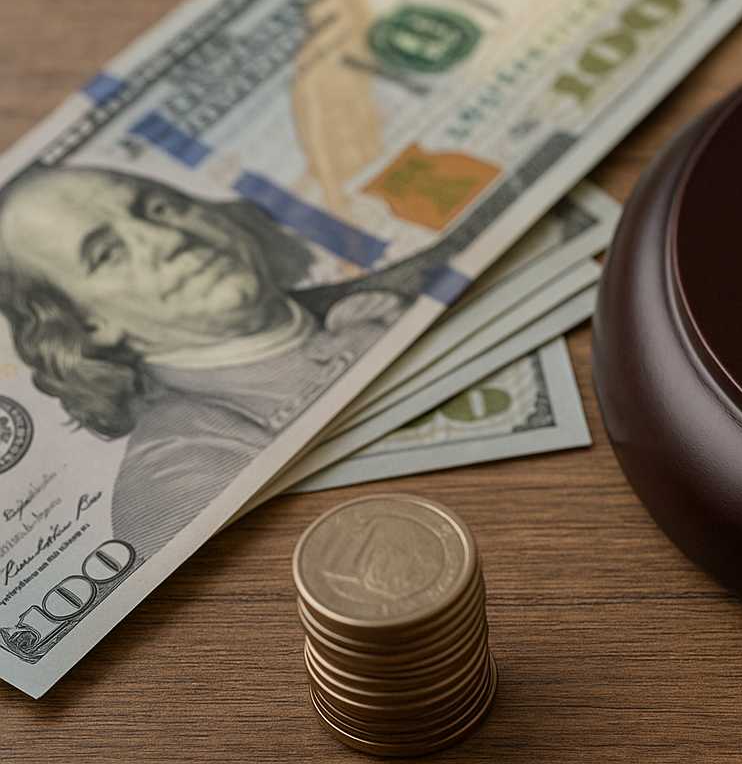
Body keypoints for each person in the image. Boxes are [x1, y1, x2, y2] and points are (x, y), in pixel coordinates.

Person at [0, 165, 424, 558]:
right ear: (89, 324)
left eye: (159, 208)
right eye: (108, 253)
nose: (168, 239)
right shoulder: (177, 470)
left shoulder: (403, 289)